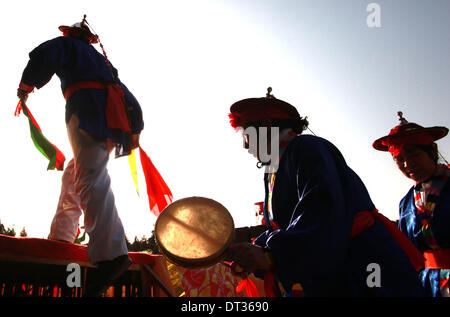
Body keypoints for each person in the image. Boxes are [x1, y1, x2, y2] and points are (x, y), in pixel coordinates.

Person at [225, 88, 430, 297]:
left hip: (361, 266)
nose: (245, 145)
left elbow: (322, 210)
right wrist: (251, 249)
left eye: (246, 135)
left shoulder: (307, 148)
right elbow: (283, 226)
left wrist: (272, 254)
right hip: (331, 267)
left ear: (267, 127)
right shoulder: (274, 169)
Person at [16, 16, 144, 296]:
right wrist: (135, 128)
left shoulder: (69, 47)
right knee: (76, 172)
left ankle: (112, 255)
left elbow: (45, 54)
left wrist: (25, 87)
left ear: (72, 35)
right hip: (111, 117)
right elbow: (126, 94)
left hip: (88, 111)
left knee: (90, 175)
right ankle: (62, 238)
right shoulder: (103, 63)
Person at [373, 112, 449, 297]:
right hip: (429, 284)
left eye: (414, 154)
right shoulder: (406, 203)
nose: (408, 164)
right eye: (399, 159)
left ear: (432, 150)